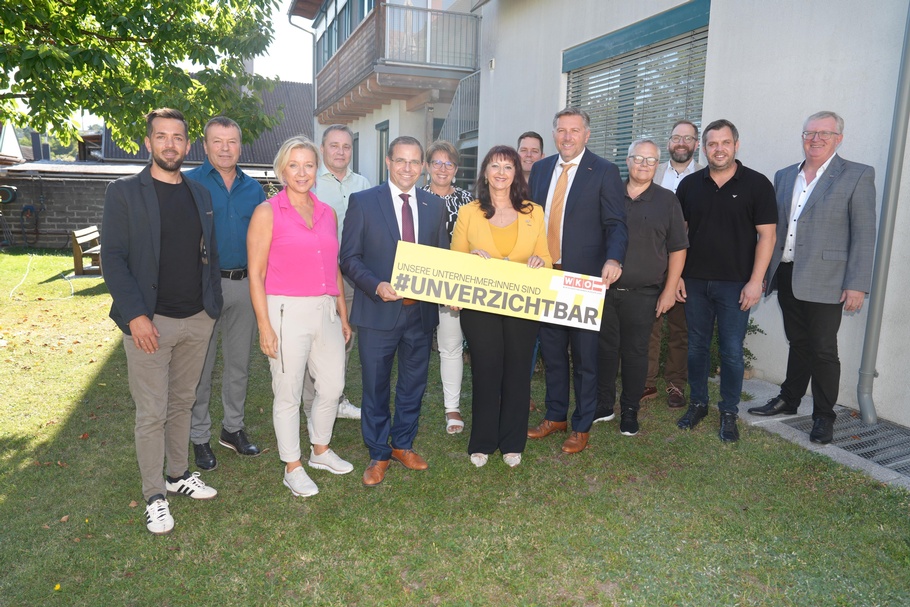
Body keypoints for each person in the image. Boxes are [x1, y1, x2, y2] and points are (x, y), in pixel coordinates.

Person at [101, 108, 221, 535]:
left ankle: (177, 475)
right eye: (161, 136)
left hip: (197, 319)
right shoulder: (124, 192)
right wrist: (135, 315)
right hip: (150, 322)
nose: (170, 144)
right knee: (151, 412)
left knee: (182, 402)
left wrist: (211, 308)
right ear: (148, 142)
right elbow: (112, 259)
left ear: (188, 145)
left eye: (178, 137)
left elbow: (209, 253)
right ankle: (154, 495)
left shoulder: (199, 193)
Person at [748, 111, 876, 445]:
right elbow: (774, 229)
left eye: (824, 133)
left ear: (839, 138)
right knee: (798, 342)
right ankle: (789, 398)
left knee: (822, 349)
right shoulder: (785, 175)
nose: (815, 139)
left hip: (828, 279)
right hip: (787, 272)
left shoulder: (857, 175)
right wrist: (762, 273)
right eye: (809, 133)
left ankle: (823, 416)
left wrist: (858, 284)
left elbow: (864, 234)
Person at [247, 136, 354, 498]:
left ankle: (320, 449)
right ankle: (292, 466)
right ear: (282, 170)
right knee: (288, 392)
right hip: (284, 310)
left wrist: (341, 313)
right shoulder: (268, 211)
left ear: (317, 168)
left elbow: (334, 265)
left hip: (325, 308)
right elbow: (256, 273)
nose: (302, 172)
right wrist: (264, 325)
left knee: (333, 385)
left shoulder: (327, 212)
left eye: (309, 165)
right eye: (294, 165)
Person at [340, 136, 449, 486]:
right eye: (401, 160)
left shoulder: (435, 206)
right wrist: (376, 286)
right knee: (375, 386)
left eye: (415, 162)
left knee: (414, 384)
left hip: (420, 314)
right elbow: (349, 259)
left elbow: (442, 260)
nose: (407, 168)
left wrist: (452, 288)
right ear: (388, 162)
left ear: (423, 167)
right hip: (377, 312)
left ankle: (403, 443)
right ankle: (378, 452)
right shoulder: (364, 202)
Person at [526, 107, 628, 454]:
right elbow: (528, 220)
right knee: (552, 352)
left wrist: (614, 258)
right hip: (545, 275)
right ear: (554, 134)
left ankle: (582, 424)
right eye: (561, 130)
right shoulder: (539, 170)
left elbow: (616, 222)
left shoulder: (604, 171)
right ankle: (556, 415)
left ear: (586, 135)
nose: (567, 136)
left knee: (585, 356)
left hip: (583, 279)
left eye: (574, 130)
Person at [675, 119, 777, 442]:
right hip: (694, 282)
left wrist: (756, 281)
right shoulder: (689, 186)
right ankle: (699, 403)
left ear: (736, 145)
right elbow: (681, 236)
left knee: (732, 350)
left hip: (737, 285)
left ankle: (729, 411)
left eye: (725, 143)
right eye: (712, 144)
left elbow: (767, 236)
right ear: (703, 149)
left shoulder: (758, 185)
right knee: (697, 347)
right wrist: (676, 276)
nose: (719, 149)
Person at [451, 145, 551, 468]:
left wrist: (540, 262)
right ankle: (482, 441)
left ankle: (512, 441)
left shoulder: (534, 212)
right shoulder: (469, 213)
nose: (501, 173)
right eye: (494, 166)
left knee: (518, 371)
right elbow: (455, 260)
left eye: (508, 167)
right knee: (486, 369)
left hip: (522, 304)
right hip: (481, 307)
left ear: (516, 174)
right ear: (485, 172)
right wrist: (470, 259)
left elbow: (547, 258)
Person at [186, 117, 266, 471]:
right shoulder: (188, 183)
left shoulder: (255, 189)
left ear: (240, 145)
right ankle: (199, 436)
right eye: (217, 141)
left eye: (231, 141)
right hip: (202, 285)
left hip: (246, 285)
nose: (224, 148)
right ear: (205, 146)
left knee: (238, 363)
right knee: (200, 367)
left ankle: (232, 429)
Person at [595, 139, 688, 436]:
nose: (643, 165)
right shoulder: (608, 194)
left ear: (657, 165)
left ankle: (630, 409)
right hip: (604, 291)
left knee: (636, 353)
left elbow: (677, 248)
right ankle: (604, 405)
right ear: (627, 160)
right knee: (605, 351)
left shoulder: (667, 200)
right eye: (638, 159)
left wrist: (669, 289)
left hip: (645, 293)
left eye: (650, 161)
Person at [303, 124, 371, 422]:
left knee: (345, 338)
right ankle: (310, 404)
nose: (340, 151)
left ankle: (337, 399)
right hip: (317, 275)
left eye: (346, 146)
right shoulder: (311, 183)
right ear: (323, 149)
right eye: (334, 146)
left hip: (354, 274)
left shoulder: (364, 183)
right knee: (314, 340)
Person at [642, 120, 704, 409]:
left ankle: (675, 384)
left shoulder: (705, 178)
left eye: (688, 138)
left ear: (696, 144)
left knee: (680, 328)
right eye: (676, 137)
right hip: (652, 261)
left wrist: (680, 271)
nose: (681, 143)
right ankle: (646, 382)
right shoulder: (652, 174)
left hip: (688, 266)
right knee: (649, 325)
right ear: (669, 142)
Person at [420, 140, 474, 434]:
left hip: (461, 285)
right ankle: (440, 404)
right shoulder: (413, 198)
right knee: (435, 346)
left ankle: (452, 409)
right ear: (427, 167)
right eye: (437, 163)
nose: (443, 169)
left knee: (452, 345)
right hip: (424, 284)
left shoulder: (470, 201)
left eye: (449, 163)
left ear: (456, 169)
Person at [517, 130, 546, 411]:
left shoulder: (546, 184)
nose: (528, 155)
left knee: (530, 339)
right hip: (505, 272)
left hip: (536, 270)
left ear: (542, 155)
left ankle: (521, 393)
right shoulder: (502, 183)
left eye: (534, 150)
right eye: (523, 150)